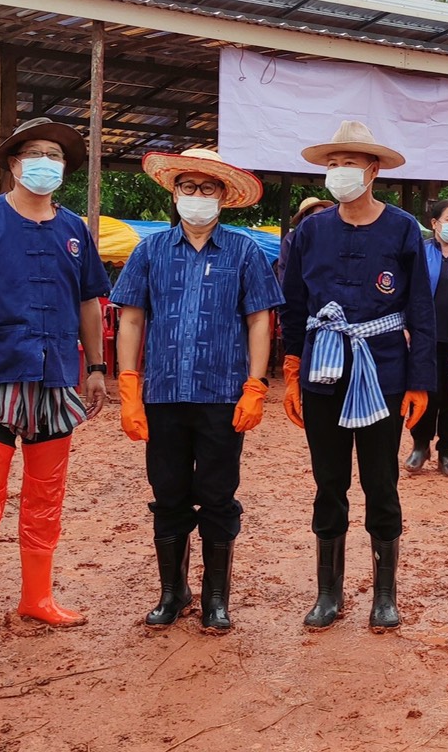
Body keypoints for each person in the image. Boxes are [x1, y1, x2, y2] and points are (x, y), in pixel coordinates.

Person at [0, 117, 110, 656]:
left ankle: (37, 596)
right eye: (34, 153)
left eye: (55, 156)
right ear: (13, 165)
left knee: (45, 495)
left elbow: (90, 303)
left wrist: (98, 365)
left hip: (56, 376)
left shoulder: (75, 229)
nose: (45, 162)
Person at [112, 148, 282, 633]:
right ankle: (173, 591)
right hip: (163, 394)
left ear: (225, 197)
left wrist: (256, 382)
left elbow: (258, 319)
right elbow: (131, 318)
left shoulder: (245, 251)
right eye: (188, 187)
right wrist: (129, 384)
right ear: (175, 192)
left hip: (222, 393)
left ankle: (215, 597)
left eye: (208, 189)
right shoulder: (150, 251)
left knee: (217, 494)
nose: (197, 197)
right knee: (167, 493)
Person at [281, 121, 433, 632]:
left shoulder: (404, 229)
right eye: (333, 164)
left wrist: (419, 381)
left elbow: (420, 308)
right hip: (323, 368)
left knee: (381, 481)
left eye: (349, 164)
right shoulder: (310, 230)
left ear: (372, 171)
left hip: (383, 368)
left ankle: (384, 595)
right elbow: (294, 301)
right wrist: (293, 364)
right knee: (329, 482)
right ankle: (329, 593)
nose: (339, 173)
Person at [407, 198, 448, 477]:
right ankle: (420, 445)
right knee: (425, 391)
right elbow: (407, 291)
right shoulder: (421, 252)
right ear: (434, 223)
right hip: (425, 337)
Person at [275, 197, 333, 283]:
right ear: (305, 217)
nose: (322, 219)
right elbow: (284, 270)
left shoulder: (330, 238)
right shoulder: (291, 239)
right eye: (317, 215)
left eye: (324, 214)